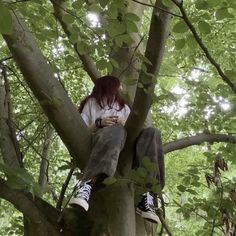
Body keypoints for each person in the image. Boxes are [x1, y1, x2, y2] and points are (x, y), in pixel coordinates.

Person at [69, 75, 164, 224]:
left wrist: (126, 121)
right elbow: (80, 129)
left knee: (153, 132)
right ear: (110, 85)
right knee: (116, 129)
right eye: (119, 86)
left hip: (127, 148)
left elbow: (140, 132)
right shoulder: (92, 103)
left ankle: (149, 196)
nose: (122, 89)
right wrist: (99, 123)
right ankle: (87, 185)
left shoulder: (124, 107)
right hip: (103, 143)